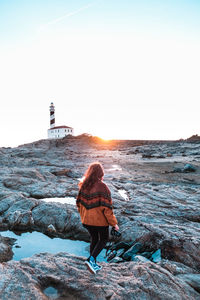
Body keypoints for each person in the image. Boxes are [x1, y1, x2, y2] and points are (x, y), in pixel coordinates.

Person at [76, 162, 119, 274]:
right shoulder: (103, 187)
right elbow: (107, 209)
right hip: (99, 222)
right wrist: (114, 224)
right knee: (104, 239)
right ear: (101, 173)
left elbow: (78, 203)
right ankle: (91, 260)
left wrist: (84, 216)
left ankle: (92, 261)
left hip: (86, 221)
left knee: (94, 239)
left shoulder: (83, 185)